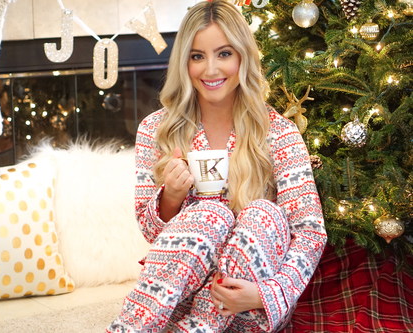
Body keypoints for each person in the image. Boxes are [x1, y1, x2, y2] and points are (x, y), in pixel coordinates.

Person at [107, 1, 327, 332]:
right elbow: (152, 232)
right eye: (197, 56)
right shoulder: (156, 129)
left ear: (242, 57)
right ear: (185, 62)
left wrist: (267, 292)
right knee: (211, 214)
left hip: (250, 302)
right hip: (182, 296)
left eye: (224, 54)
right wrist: (172, 196)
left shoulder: (279, 131)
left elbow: (310, 232)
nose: (210, 69)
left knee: (263, 215)